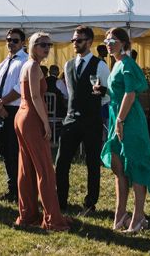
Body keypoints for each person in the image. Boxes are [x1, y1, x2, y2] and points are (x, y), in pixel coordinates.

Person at [95, 27, 150, 233]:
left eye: (113, 40)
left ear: (124, 43)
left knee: (136, 167)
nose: (109, 44)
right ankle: (120, 215)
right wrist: (104, 91)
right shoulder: (117, 63)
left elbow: (131, 93)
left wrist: (120, 120)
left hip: (129, 120)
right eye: (107, 40)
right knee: (118, 167)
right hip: (116, 117)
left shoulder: (128, 63)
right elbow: (118, 91)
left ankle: (137, 218)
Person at [15, 32, 69, 231]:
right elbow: (36, 97)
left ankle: (28, 214)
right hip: (31, 117)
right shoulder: (34, 66)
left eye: (49, 44)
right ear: (32, 46)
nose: (46, 48)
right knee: (45, 169)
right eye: (42, 44)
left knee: (26, 168)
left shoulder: (26, 65)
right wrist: (46, 124)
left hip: (21, 115)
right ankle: (53, 218)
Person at [55, 25, 110, 216]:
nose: (75, 44)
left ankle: (90, 203)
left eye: (78, 40)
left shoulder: (100, 65)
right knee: (62, 162)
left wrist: (97, 95)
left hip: (91, 120)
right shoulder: (68, 65)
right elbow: (71, 92)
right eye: (73, 40)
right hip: (71, 119)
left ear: (89, 42)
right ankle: (60, 202)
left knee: (92, 163)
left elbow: (108, 93)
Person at [0, 28, 27, 202]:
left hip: (15, 110)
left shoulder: (26, 61)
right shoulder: (3, 63)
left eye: (15, 40)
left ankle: (20, 190)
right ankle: (11, 188)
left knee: (15, 151)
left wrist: (1, 103)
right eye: (8, 40)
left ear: (23, 43)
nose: (11, 43)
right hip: (1, 110)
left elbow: (21, 88)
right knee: (4, 151)